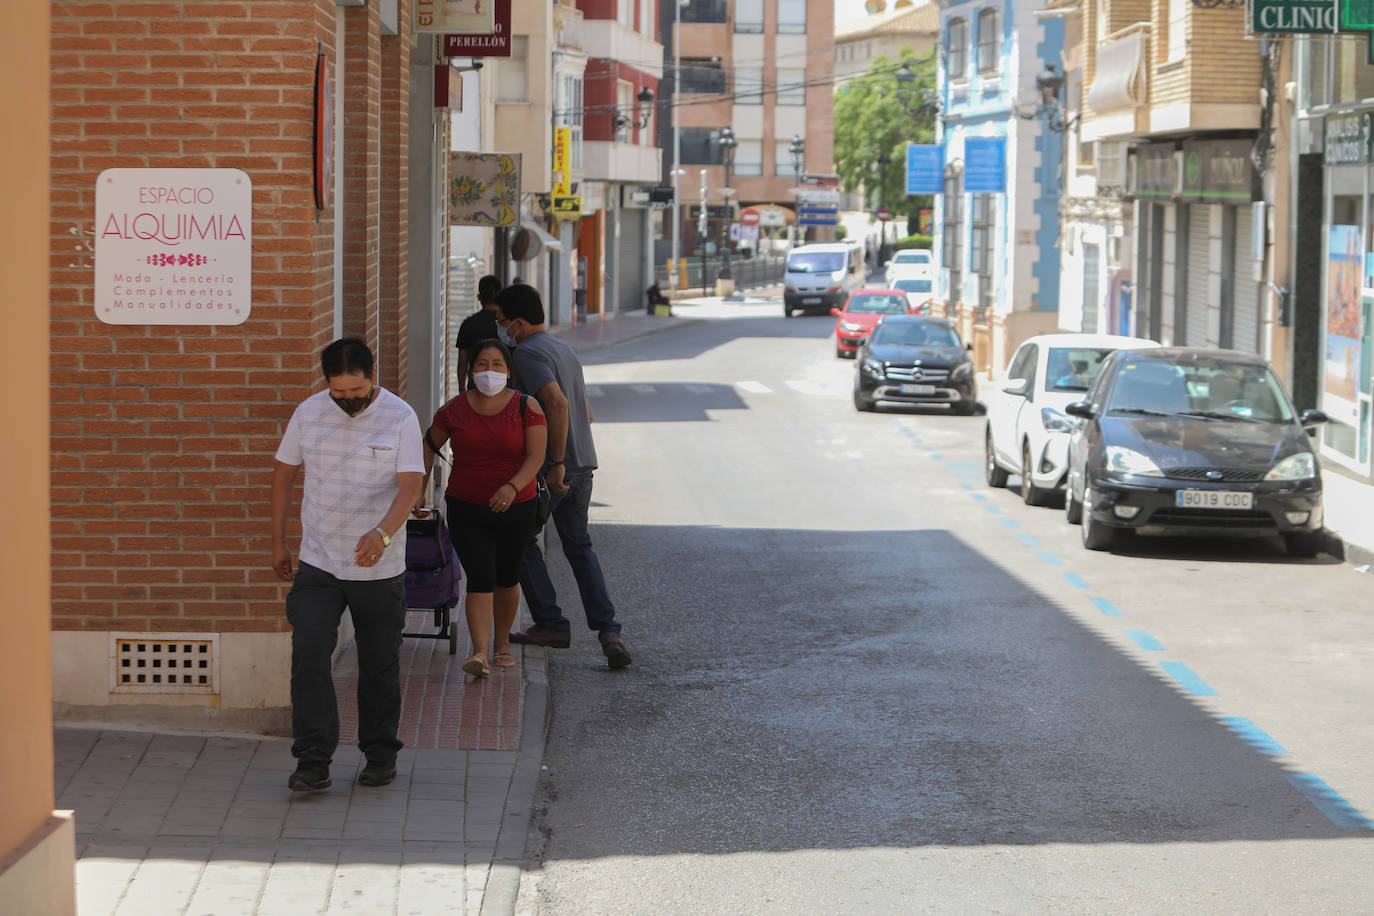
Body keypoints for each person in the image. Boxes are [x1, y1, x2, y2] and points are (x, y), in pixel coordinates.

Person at [271, 338, 424, 792]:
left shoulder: (401, 417)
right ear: (327, 384)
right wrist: (278, 542)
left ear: (373, 377)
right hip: (319, 560)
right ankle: (313, 761)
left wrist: (382, 533)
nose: (348, 401)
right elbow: (284, 474)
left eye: (356, 392)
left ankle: (379, 754)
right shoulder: (309, 412)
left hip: (378, 567)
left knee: (378, 665)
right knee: (309, 653)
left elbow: (410, 485)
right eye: (339, 393)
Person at [494, 284, 633, 670]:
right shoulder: (564, 349)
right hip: (584, 462)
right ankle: (609, 632)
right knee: (578, 546)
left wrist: (555, 462)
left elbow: (557, 402)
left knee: (516, 537)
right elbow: (585, 412)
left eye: (504, 322)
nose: (503, 329)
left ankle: (551, 622)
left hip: (555, 468)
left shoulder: (527, 353)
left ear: (518, 323)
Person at [422, 339, 548, 677]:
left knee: (506, 576)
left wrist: (511, 486)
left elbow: (536, 457)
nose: (488, 371)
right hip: (466, 507)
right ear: (470, 370)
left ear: (508, 370)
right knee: (479, 576)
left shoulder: (527, 407)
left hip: (517, 507)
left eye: (496, 364)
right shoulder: (454, 409)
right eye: (481, 364)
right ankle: (478, 651)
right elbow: (429, 444)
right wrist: (420, 494)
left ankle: (501, 643)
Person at [455, 274, 504, 391]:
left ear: (479, 297)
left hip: (476, 387)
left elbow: (462, 362)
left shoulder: (468, 324)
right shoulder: (507, 324)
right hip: (504, 387)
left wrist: (461, 389)